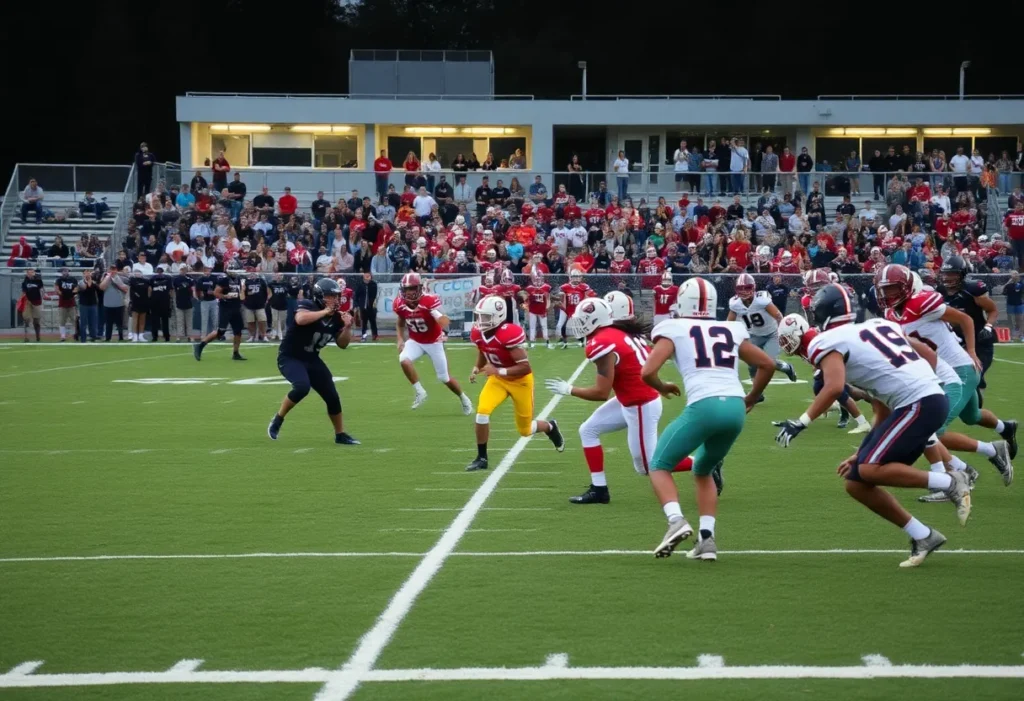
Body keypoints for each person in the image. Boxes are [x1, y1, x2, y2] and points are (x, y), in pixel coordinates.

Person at [773, 284, 971, 568]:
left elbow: (833, 388)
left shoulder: (825, 341)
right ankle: (923, 535)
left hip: (918, 402)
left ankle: (951, 481)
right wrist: (866, 449)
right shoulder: (878, 324)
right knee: (856, 480)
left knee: (869, 469)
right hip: (920, 400)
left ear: (824, 313)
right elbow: (885, 399)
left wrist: (800, 422)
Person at [640, 277, 777, 561]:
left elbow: (647, 371)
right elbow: (767, 363)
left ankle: (675, 520)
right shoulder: (731, 327)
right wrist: (751, 398)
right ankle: (706, 540)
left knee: (658, 465)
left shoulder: (673, 327)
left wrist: (662, 386)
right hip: (735, 408)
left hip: (705, 405)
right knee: (703, 469)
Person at [547, 296, 702, 505]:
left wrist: (570, 389)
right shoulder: (618, 332)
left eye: (583, 319)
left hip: (640, 404)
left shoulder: (602, 341)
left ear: (596, 319)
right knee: (588, 430)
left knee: (647, 466)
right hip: (631, 399)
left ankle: (703, 461)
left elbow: (601, 393)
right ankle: (599, 489)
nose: (579, 324)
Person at [876, 266, 1015, 494]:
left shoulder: (921, 303)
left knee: (931, 431)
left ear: (907, 287)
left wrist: (970, 351)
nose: (887, 294)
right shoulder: (891, 314)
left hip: (959, 371)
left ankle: (959, 474)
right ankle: (999, 439)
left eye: (892, 288)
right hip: (940, 374)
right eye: (884, 289)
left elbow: (965, 319)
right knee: (973, 417)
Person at [466, 295, 565, 472]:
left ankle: (550, 427)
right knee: (482, 412)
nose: (480, 321)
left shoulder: (508, 334)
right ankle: (482, 458)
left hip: (520, 382)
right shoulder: (478, 333)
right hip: (497, 381)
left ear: (498, 316)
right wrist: (476, 367)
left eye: (485, 317)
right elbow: (483, 350)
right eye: (479, 316)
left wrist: (498, 371)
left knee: (525, 430)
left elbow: (525, 368)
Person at [268, 278, 359, 445]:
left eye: (337, 296)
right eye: (331, 296)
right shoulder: (308, 305)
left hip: (312, 358)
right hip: (290, 356)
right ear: (319, 296)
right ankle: (278, 419)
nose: (336, 300)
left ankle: (340, 434)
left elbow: (343, 344)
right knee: (302, 387)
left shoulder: (337, 317)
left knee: (332, 395)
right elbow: (300, 319)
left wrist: (347, 327)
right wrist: (325, 312)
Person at [777, 313, 872, 433]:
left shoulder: (812, 340)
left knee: (841, 392)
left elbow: (829, 358)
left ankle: (862, 421)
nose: (788, 343)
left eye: (789, 337)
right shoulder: (802, 344)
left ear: (800, 330)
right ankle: (834, 406)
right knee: (846, 391)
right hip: (833, 365)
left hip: (845, 362)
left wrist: (822, 371)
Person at [393, 272, 473, 414]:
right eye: (407, 289)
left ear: (419, 288)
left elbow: (445, 320)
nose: (410, 293)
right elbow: (400, 322)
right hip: (416, 341)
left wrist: (444, 330)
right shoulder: (399, 304)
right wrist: (400, 339)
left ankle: (464, 398)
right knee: (403, 359)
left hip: (434, 342)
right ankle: (420, 392)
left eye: (412, 289)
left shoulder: (429, 301)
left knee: (444, 377)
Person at [726, 273, 799, 401]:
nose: (744, 291)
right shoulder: (735, 303)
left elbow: (778, 315)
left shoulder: (761, 299)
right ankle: (757, 392)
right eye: (741, 288)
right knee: (752, 362)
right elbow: (729, 323)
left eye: (747, 287)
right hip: (753, 334)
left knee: (768, 361)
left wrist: (782, 330)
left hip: (772, 333)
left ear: (753, 287)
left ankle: (786, 367)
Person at [937, 256, 999, 398]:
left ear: (962, 274)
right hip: (958, 342)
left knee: (974, 376)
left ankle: (978, 389)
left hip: (980, 340)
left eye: (952, 273)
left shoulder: (972, 290)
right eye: (945, 273)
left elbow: (993, 310)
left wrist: (988, 326)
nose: (947, 277)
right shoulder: (940, 291)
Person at [193, 270, 246, 361]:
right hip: (225, 308)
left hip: (236, 308)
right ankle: (200, 345)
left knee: (238, 331)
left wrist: (242, 293)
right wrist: (225, 296)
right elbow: (216, 293)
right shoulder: (223, 280)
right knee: (221, 331)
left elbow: (241, 295)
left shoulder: (238, 279)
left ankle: (236, 353)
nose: (235, 272)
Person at [554, 268, 596, 349]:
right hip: (566, 308)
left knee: (579, 327)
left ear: (580, 277)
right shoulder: (564, 287)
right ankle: (562, 340)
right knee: (560, 325)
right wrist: (558, 299)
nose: (576, 279)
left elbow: (590, 295)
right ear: (570, 277)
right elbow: (559, 296)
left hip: (577, 309)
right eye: (574, 277)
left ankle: (582, 340)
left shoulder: (584, 286)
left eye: (577, 277)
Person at [524, 270, 552, 348]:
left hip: (542, 310)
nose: (538, 280)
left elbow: (548, 299)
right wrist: (527, 308)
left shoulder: (546, 287)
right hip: (532, 310)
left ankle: (547, 341)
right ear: (533, 279)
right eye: (536, 279)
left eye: (539, 279)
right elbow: (526, 299)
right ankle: (532, 341)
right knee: (532, 326)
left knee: (544, 326)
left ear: (542, 279)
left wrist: (547, 308)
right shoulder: (529, 288)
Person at [148, 266, 173, 342]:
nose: (159, 273)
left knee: (165, 320)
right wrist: (150, 299)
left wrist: (170, 299)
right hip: (155, 302)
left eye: (161, 271)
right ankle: (154, 337)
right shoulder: (152, 279)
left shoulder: (168, 278)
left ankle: (166, 336)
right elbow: (150, 289)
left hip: (165, 302)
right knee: (154, 320)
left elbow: (171, 290)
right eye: (158, 271)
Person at [54, 267, 79, 342]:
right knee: (62, 320)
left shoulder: (73, 279)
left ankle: (76, 334)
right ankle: (62, 336)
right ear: (62, 272)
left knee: (74, 320)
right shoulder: (59, 280)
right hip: (62, 302)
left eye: (66, 271)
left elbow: (76, 288)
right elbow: (57, 289)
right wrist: (63, 294)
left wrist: (72, 293)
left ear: (68, 271)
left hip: (71, 302)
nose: (65, 272)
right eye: (63, 271)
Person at [353, 271, 379, 341]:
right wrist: (356, 305)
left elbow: (374, 295)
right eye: (366, 276)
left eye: (368, 276)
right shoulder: (360, 285)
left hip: (371, 307)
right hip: (363, 307)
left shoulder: (373, 284)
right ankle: (364, 336)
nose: (367, 277)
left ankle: (375, 335)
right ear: (363, 276)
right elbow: (356, 296)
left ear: (371, 277)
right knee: (364, 323)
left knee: (373, 321)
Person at [20, 268, 44, 342]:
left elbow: (42, 289)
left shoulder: (38, 281)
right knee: (26, 319)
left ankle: (38, 336)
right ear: (27, 274)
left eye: (32, 272)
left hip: (36, 301)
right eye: (29, 272)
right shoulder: (25, 282)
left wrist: (42, 297)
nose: (30, 273)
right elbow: (24, 292)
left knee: (36, 320)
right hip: (28, 301)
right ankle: (26, 337)